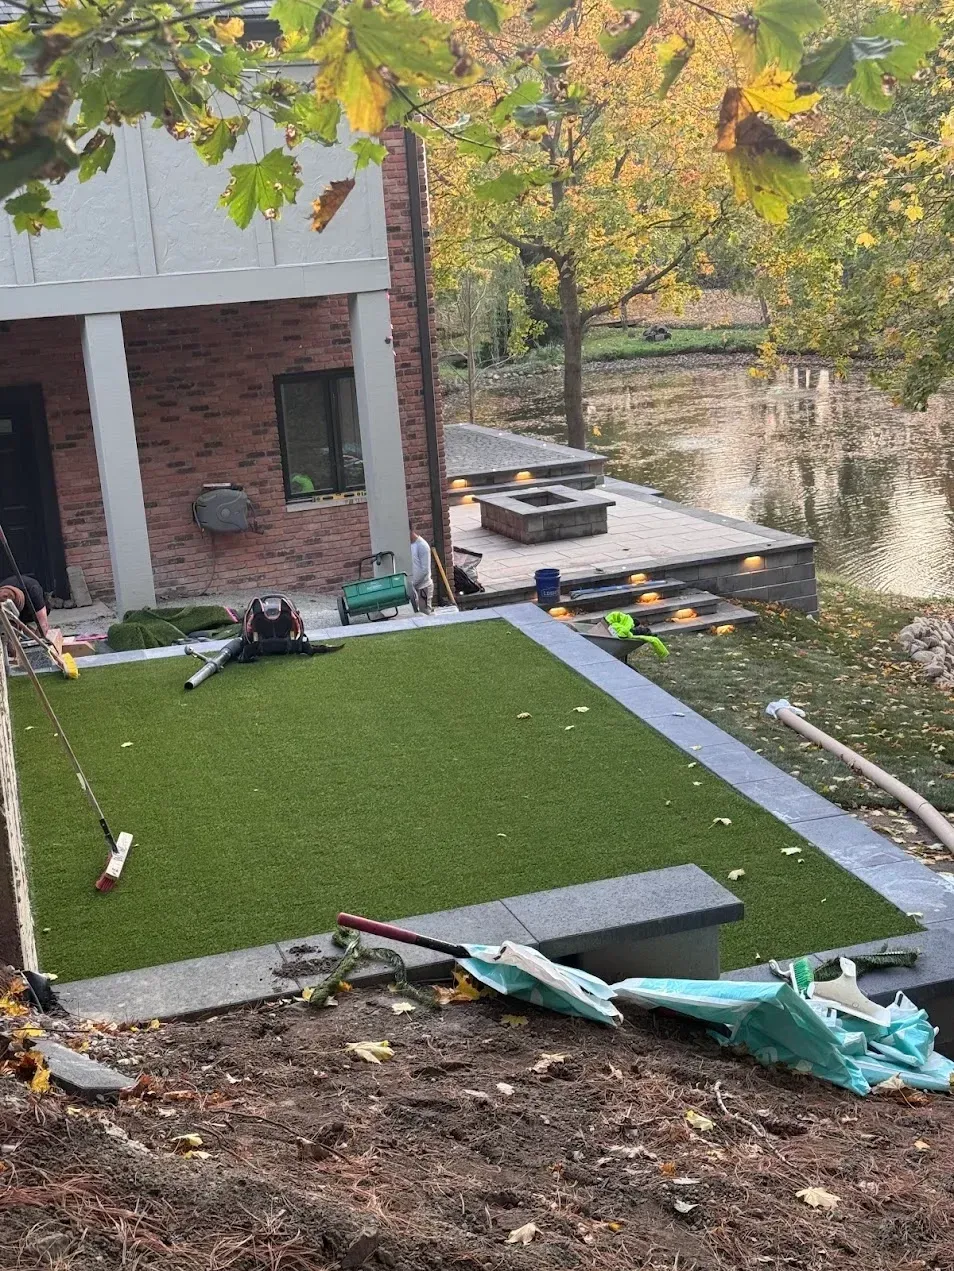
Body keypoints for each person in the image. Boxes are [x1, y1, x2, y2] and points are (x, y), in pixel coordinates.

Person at [409, 527, 434, 615]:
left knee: (425, 613)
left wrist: (413, 583)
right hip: (413, 588)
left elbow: (425, 570)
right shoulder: (408, 545)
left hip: (423, 588)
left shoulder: (422, 545)